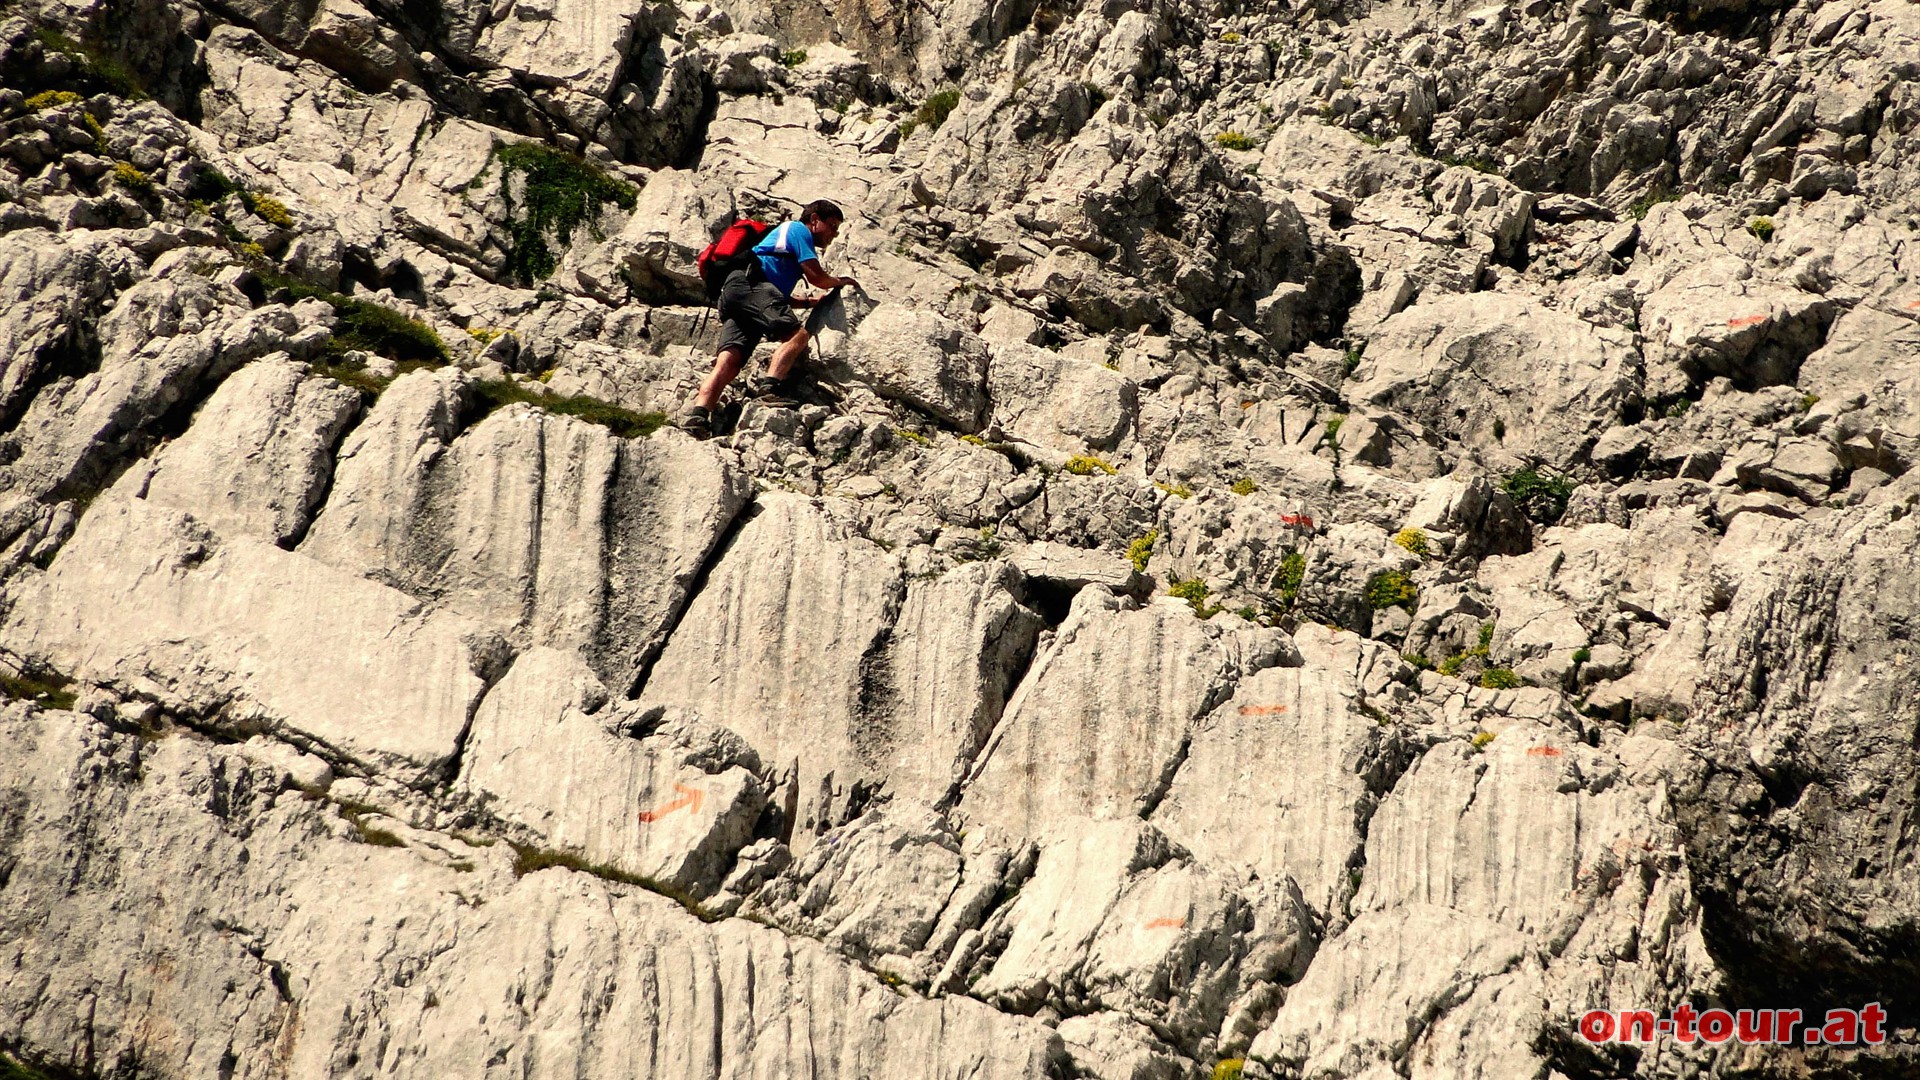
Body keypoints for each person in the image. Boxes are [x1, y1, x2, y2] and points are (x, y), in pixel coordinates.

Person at [681, 200, 859, 438]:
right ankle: (769, 388)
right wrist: (840, 282)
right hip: (752, 286)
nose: (834, 234)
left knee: (730, 362)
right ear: (814, 219)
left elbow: (777, 295)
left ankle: (698, 415)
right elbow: (816, 275)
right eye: (832, 226)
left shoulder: (781, 242)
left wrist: (806, 302)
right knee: (798, 335)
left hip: (737, 293)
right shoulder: (797, 230)